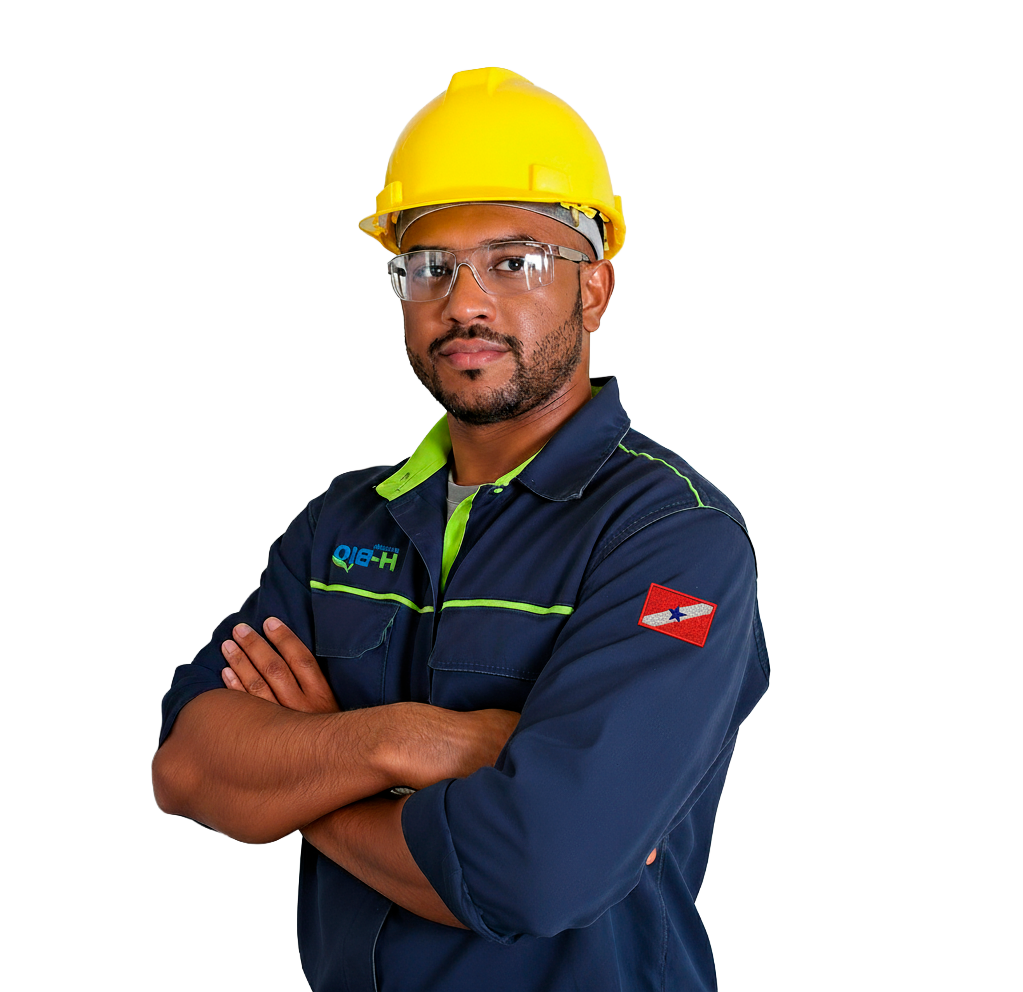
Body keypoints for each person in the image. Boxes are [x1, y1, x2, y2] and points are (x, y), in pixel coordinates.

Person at [152, 66, 770, 992]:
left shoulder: (672, 538)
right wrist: (403, 738)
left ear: (594, 291)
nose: (464, 302)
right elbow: (189, 768)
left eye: (514, 262)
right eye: (430, 266)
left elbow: (541, 870)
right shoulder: (340, 525)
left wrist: (301, 780)